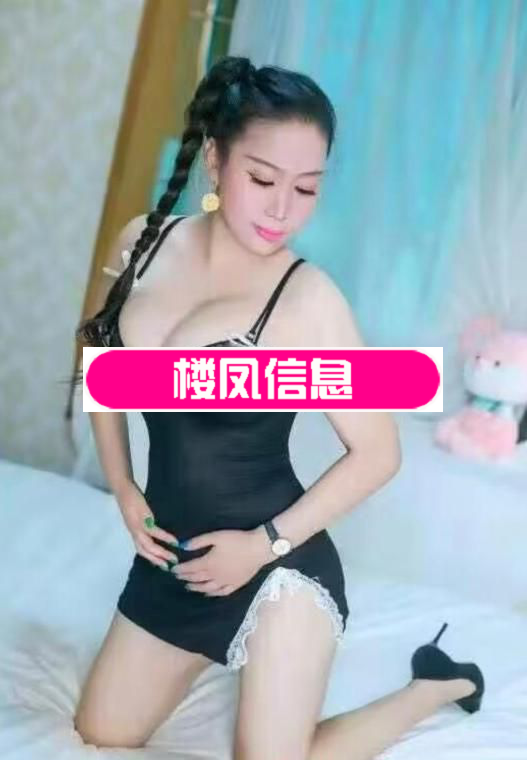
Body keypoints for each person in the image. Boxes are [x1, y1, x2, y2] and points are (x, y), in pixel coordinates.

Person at [73, 56, 484, 759]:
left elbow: (378, 454)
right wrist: (122, 483)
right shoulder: (143, 242)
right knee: (100, 733)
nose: (281, 210)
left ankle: (435, 686)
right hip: (177, 561)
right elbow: (101, 359)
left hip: (278, 566)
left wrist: (262, 547)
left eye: (306, 188)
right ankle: (212, 648)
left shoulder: (307, 299)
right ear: (214, 159)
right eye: (262, 180)